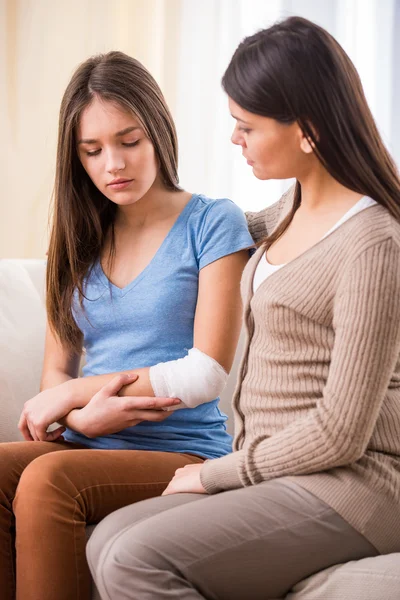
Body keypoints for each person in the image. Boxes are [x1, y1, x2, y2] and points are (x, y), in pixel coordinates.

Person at [86, 16, 400, 600]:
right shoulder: (289, 209)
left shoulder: (373, 243)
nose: (235, 140)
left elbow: (341, 434)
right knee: (106, 539)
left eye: (246, 126)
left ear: (306, 128)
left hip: (353, 487)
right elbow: (202, 235)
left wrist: (212, 473)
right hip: (285, 476)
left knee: (135, 558)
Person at [0, 52, 253, 600]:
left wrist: (77, 396)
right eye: (92, 151)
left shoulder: (213, 222)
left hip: (184, 450)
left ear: (158, 132)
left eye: (129, 141)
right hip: (88, 442)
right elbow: (55, 371)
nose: (113, 163)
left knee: (46, 480)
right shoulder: (76, 243)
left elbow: (206, 370)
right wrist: (84, 418)